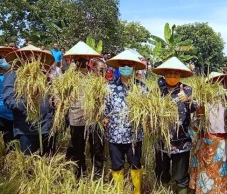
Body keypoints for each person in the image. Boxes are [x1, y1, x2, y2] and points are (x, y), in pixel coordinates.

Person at [104, 49, 147, 194]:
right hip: (115, 134)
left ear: (134, 67)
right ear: (118, 66)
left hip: (134, 135)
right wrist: (104, 117)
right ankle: (118, 190)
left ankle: (137, 191)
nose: (126, 67)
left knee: (135, 164)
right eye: (123, 64)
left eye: (129, 64)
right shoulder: (109, 87)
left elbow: (149, 109)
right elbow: (104, 109)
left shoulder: (142, 88)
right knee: (117, 165)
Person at [152, 57, 197, 194]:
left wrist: (188, 100)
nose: (172, 76)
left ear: (180, 75)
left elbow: (198, 107)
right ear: (164, 75)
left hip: (181, 141)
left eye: (175, 74)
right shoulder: (157, 91)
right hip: (161, 141)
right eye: (169, 74)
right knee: (161, 172)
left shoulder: (188, 90)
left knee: (181, 176)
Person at [189, 72, 227, 194]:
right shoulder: (203, 102)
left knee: (224, 170)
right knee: (207, 171)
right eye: (214, 82)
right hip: (208, 141)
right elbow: (195, 126)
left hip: (226, 142)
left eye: (221, 81)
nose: (218, 84)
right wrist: (200, 117)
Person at [1, 45, 55, 155]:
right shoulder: (13, 76)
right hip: (27, 129)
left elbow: (50, 99)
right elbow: (9, 99)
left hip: (47, 127)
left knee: (47, 162)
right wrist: (29, 101)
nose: (32, 60)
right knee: (28, 163)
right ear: (22, 58)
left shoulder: (44, 77)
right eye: (29, 57)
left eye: (36, 57)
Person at [63, 41, 105, 179]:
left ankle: (97, 175)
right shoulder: (67, 79)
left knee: (97, 149)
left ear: (88, 61)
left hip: (93, 118)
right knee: (77, 149)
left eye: (84, 59)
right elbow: (59, 95)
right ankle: (79, 174)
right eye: (78, 60)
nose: (81, 62)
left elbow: (102, 96)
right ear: (74, 61)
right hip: (76, 118)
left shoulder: (95, 78)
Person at [0, 49, 15, 152]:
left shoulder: (13, 76)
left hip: (13, 114)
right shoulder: (8, 77)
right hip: (3, 115)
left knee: (10, 142)